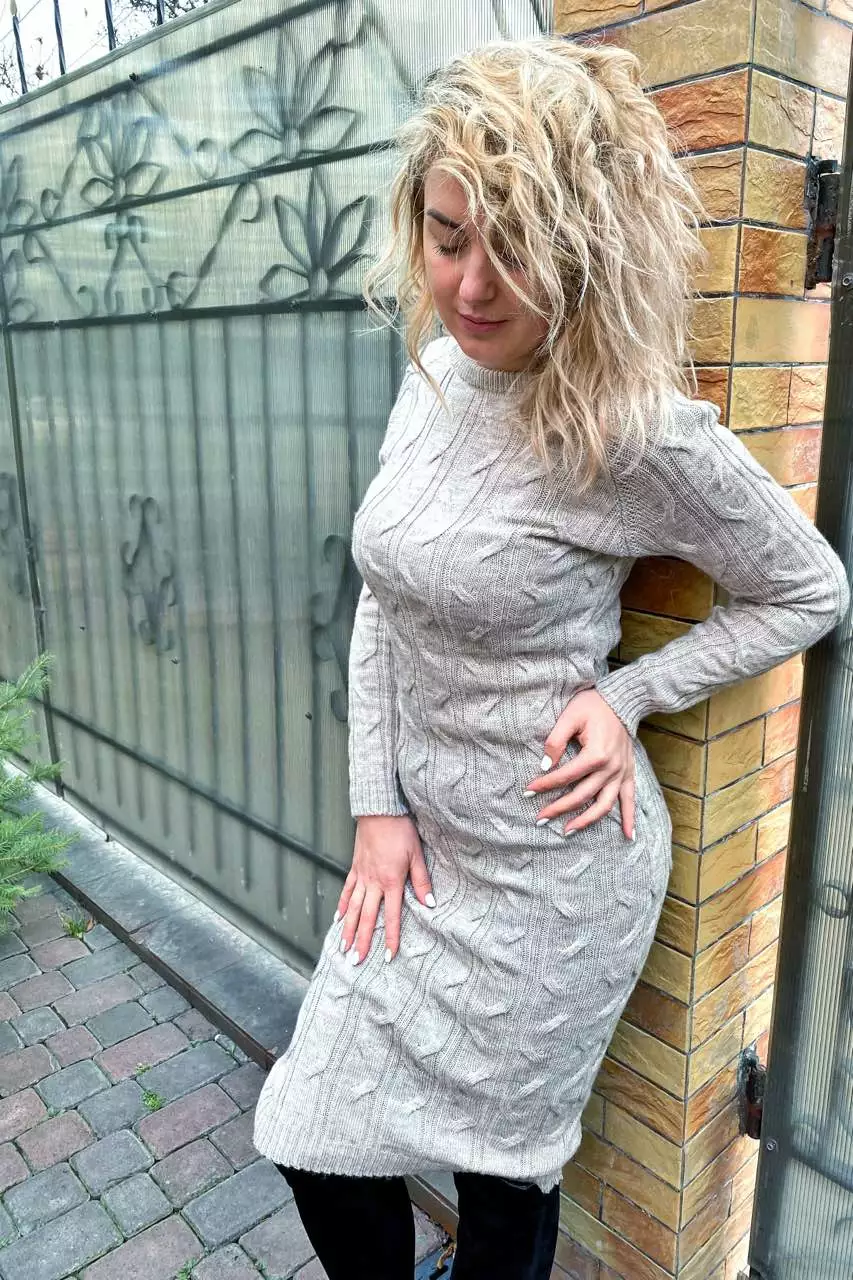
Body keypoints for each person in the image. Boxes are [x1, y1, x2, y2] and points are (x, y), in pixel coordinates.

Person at [253, 35, 850, 1280]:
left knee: (505, 1175)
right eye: (447, 234)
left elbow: (807, 586)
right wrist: (376, 807)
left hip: (556, 875)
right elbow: (384, 601)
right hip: (423, 854)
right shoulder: (435, 374)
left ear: (585, 248)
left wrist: (628, 695)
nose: (471, 284)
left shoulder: (632, 431)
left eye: (517, 246)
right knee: (311, 1132)